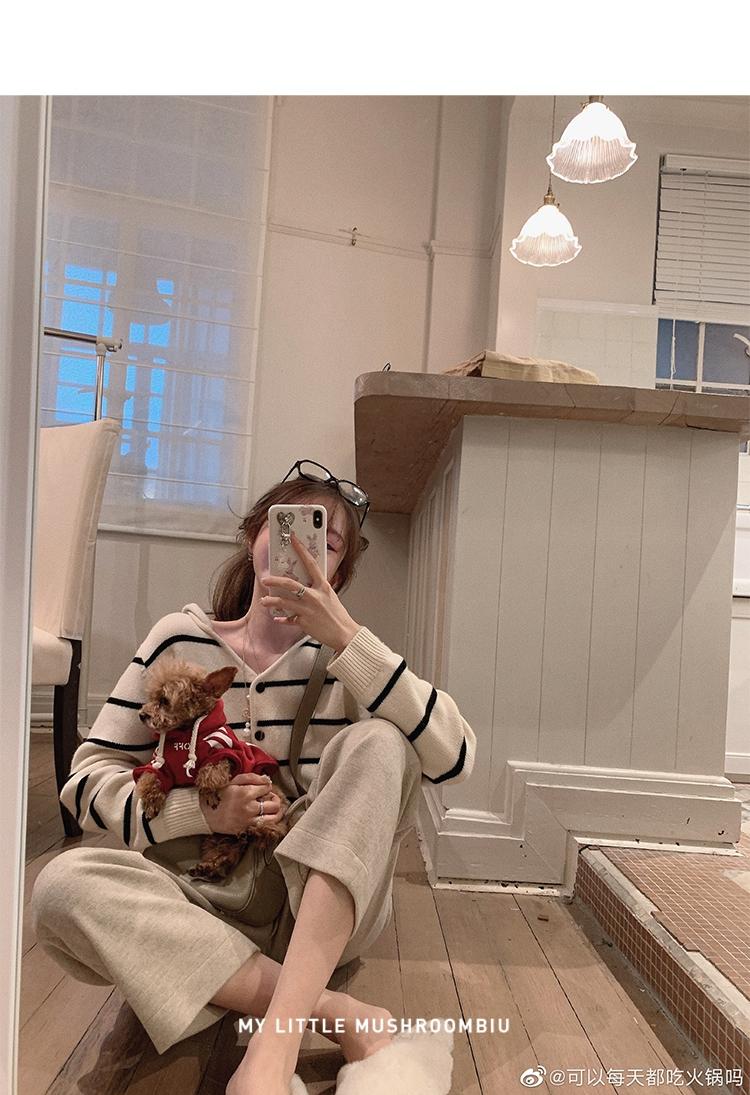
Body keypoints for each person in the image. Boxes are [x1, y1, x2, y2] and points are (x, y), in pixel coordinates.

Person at [31, 459, 477, 1095]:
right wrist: (200, 813)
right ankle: (332, 1012)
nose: (305, 548)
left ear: (338, 574)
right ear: (252, 537)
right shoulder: (178, 639)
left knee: (383, 742)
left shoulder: (350, 660)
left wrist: (347, 637)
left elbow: (455, 757)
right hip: (197, 897)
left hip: (314, 907)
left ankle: (268, 1044)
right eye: (287, 526)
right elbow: (86, 778)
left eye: (327, 542)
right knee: (59, 887)